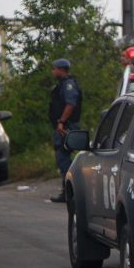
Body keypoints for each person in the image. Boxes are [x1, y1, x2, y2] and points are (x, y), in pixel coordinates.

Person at [48, 58, 82, 203]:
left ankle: (69, 192)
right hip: (64, 125)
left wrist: (61, 122)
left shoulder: (68, 85)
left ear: (61, 69)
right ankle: (68, 191)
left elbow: (70, 104)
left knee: (63, 157)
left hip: (66, 126)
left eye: (54, 68)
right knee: (62, 156)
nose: (53, 71)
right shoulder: (62, 85)